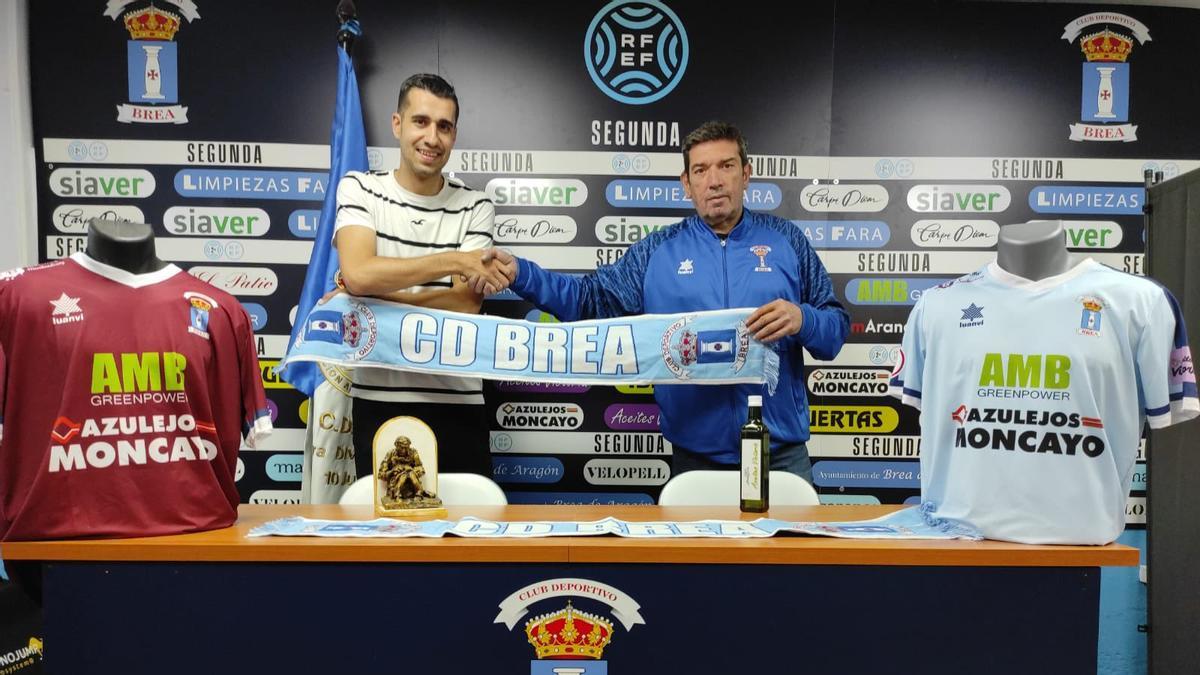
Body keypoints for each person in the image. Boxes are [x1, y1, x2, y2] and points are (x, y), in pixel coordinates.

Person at [478, 121, 849, 483]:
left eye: (726, 166)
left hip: (781, 456)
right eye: (701, 170)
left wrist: (804, 319)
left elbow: (834, 330)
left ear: (746, 175)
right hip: (695, 460)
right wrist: (521, 273)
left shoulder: (787, 241)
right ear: (686, 184)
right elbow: (588, 300)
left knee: (793, 547)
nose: (714, 180)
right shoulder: (658, 251)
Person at [333, 73, 509, 478]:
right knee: (387, 539)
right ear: (397, 124)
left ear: (454, 135)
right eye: (421, 122)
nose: (432, 138)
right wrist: (452, 261)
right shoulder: (359, 188)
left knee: (469, 532)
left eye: (444, 127)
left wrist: (369, 298)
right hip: (378, 398)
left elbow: (465, 304)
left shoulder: (475, 204)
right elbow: (359, 273)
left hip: (459, 401)